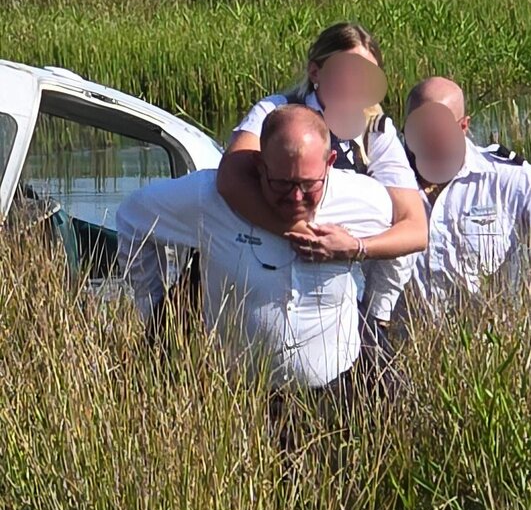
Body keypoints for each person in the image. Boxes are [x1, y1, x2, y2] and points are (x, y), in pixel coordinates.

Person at [117, 105, 403, 398]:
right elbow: (132, 217)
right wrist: (154, 310)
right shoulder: (209, 198)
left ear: (330, 162)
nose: (295, 197)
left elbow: (406, 234)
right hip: (236, 399)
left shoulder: (362, 199)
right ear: (259, 165)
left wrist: (375, 298)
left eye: (308, 184)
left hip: (337, 393)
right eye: (281, 183)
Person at [216, 23, 426, 325]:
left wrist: (353, 249)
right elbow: (231, 178)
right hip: (261, 278)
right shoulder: (275, 111)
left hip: (341, 289)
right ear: (316, 73)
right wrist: (304, 236)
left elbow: (415, 229)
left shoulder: (375, 131)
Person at [401, 77, 531, 313]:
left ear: (463, 127)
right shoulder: (380, 176)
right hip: (395, 345)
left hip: (486, 343)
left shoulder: (503, 178)